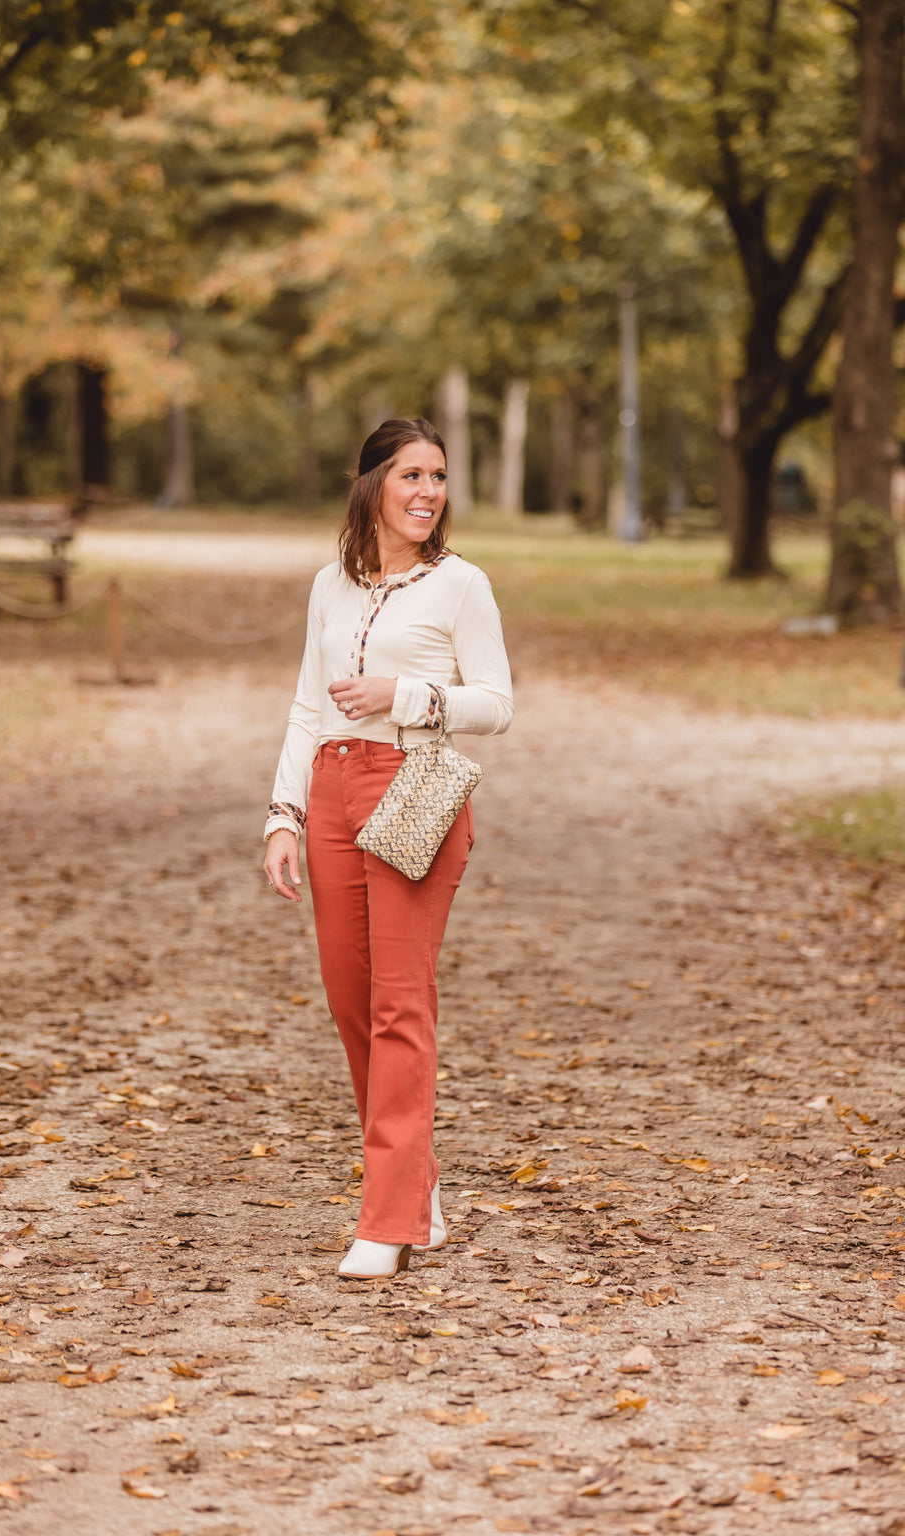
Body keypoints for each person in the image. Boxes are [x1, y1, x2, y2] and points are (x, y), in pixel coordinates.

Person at [263, 417, 513, 1279]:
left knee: (400, 1002)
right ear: (370, 483)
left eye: (438, 477)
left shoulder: (462, 586)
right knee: (350, 998)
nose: (427, 492)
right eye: (410, 475)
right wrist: (283, 815)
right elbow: (306, 705)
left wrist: (404, 693)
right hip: (331, 787)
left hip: (414, 789)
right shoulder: (330, 584)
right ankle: (415, 1182)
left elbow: (496, 701)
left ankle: (388, 1220)